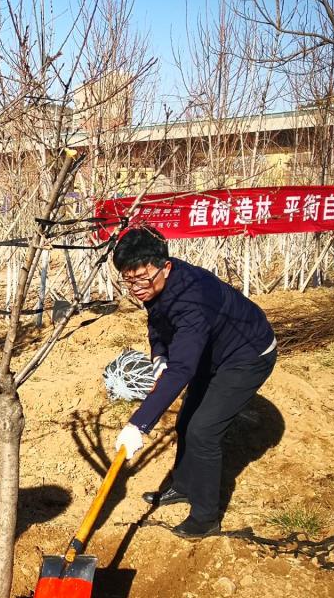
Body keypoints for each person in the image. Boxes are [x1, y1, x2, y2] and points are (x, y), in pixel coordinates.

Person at [111, 227, 277, 539]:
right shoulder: (154, 286)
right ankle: (184, 486)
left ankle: (205, 517)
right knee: (186, 419)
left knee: (203, 431)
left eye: (142, 278)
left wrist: (138, 424)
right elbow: (158, 323)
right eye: (128, 280)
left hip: (247, 355)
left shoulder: (192, 298)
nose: (135, 288)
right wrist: (159, 355)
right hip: (212, 351)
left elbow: (183, 369)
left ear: (165, 267)